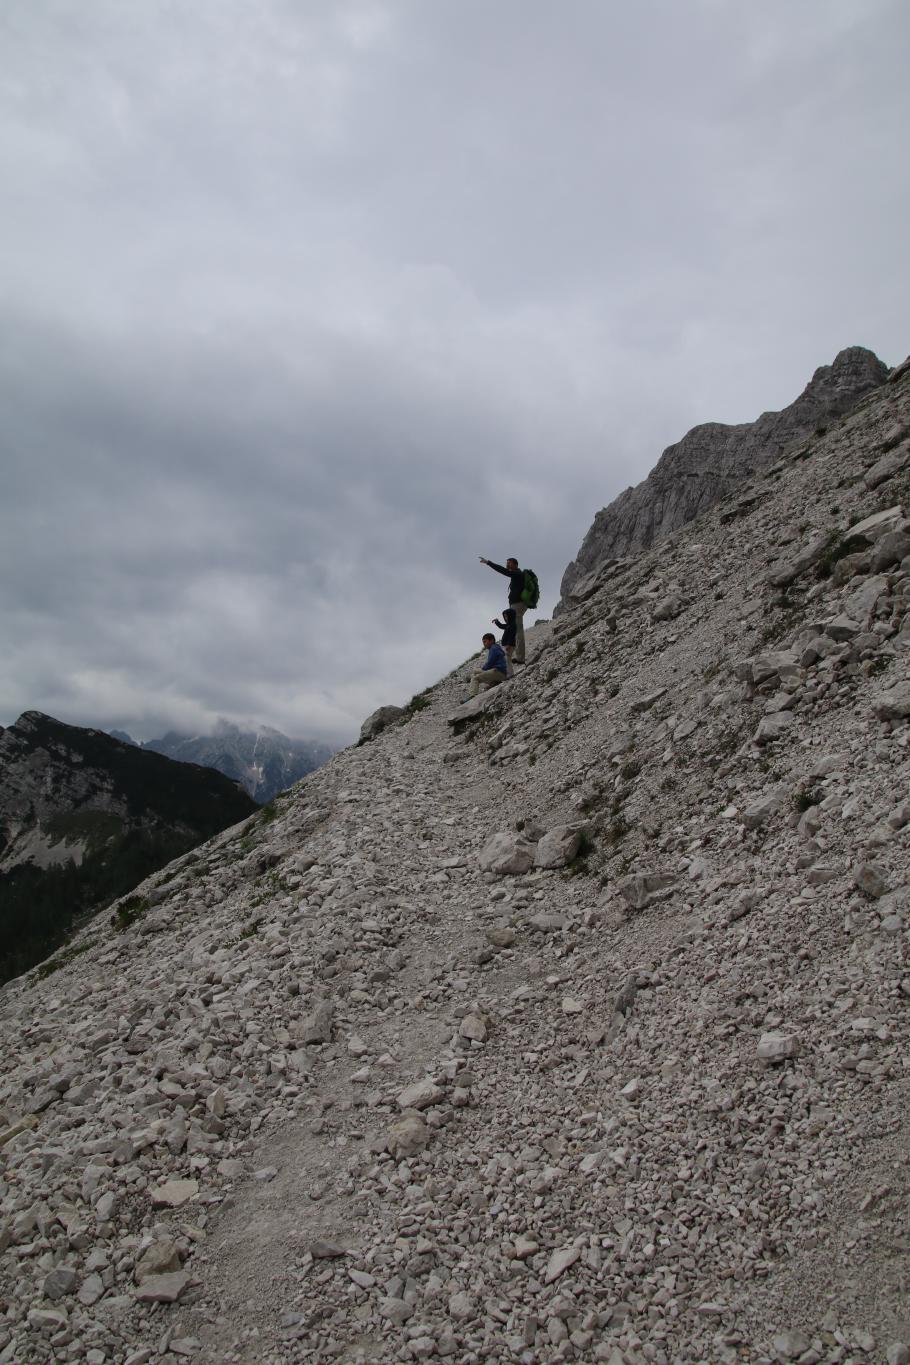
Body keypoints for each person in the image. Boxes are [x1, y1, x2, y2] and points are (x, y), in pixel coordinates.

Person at [479, 556, 528, 663]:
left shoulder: (517, 574)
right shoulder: (517, 574)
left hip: (518, 605)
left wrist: (488, 562)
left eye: (509, 563)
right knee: (514, 629)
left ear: (515, 564)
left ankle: (520, 658)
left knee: (518, 630)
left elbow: (502, 570)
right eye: (507, 563)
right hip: (517, 605)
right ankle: (516, 654)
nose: (507, 565)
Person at [466, 632, 509, 699]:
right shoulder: (496, 647)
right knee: (475, 671)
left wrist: (483, 669)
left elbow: (489, 663)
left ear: (491, 640)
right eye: (483, 642)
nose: (484, 644)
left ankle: (472, 695)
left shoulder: (493, 649)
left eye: (485, 642)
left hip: (498, 672)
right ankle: (494, 683)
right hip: (501, 672)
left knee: (475, 678)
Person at [493, 607, 517, 676]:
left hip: (510, 645)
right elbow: (501, 626)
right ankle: (509, 674)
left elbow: (512, 635)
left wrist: (509, 645)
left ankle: (510, 674)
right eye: (505, 616)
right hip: (507, 645)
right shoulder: (508, 625)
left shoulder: (513, 625)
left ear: (511, 615)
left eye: (507, 616)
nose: (505, 618)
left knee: (507, 660)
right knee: (506, 660)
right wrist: (497, 621)